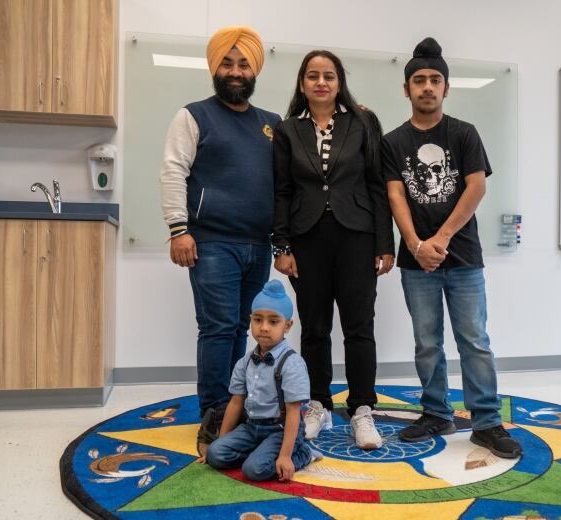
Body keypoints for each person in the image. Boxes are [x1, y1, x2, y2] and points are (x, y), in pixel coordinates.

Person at [381, 37, 522, 458]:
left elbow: (476, 187)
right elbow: (395, 195)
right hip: (415, 261)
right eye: (419, 80)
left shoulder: (464, 133)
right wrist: (414, 244)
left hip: (462, 258)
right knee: (426, 342)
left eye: (435, 80)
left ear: (446, 88)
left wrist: (438, 240)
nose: (427, 86)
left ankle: (486, 422)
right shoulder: (392, 142)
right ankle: (436, 412)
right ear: (406, 89)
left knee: (474, 340)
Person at [159, 26, 281, 457]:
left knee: (244, 332)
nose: (234, 71)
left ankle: (235, 406)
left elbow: (287, 184)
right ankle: (213, 415)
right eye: (227, 63)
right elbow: (173, 171)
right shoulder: (193, 115)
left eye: (243, 64)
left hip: (258, 245)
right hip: (210, 243)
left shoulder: (273, 124)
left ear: (254, 70)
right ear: (215, 68)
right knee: (217, 328)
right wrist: (179, 229)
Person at [272, 50, 395, 450]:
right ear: (302, 83)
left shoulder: (362, 121)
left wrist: (384, 243)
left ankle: (361, 409)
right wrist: (282, 245)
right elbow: (282, 191)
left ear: (339, 81)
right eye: (313, 76)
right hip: (307, 240)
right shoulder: (288, 130)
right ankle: (318, 404)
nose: (321, 82)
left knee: (360, 327)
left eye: (328, 75)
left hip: (357, 237)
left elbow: (378, 185)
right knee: (315, 328)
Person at [202, 280, 318, 481]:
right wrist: (222, 442)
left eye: (273, 322)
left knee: (254, 470)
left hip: (280, 429)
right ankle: (259, 452)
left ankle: (303, 454)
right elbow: (236, 403)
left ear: (287, 325)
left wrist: (284, 456)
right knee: (214, 454)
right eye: (258, 320)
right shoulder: (245, 362)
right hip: (251, 426)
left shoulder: (292, 363)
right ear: (250, 320)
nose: (264, 327)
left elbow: (293, 413)